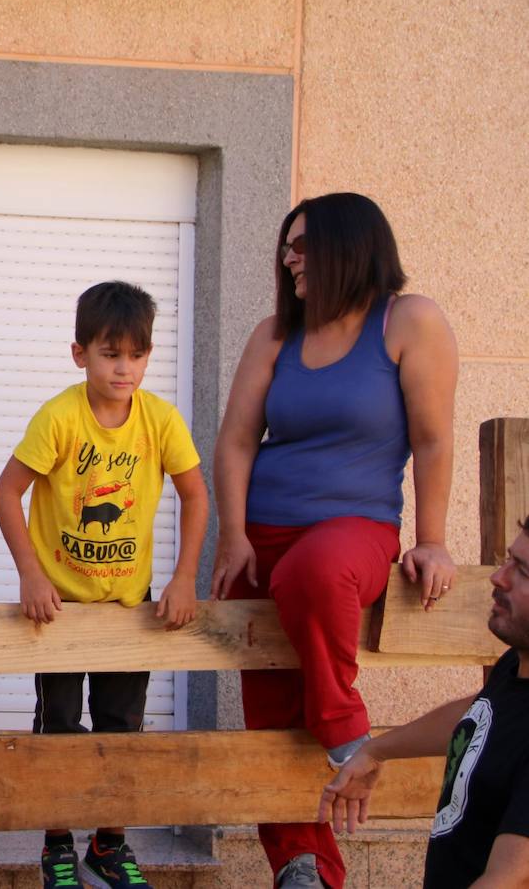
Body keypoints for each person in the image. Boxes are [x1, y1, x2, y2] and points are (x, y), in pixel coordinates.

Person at [210, 192, 458, 888]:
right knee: (270, 708)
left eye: (303, 245)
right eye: (285, 247)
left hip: (353, 530)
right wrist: (232, 536)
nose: (289, 259)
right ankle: (302, 865)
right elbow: (234, 442)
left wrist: (433, 540)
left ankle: (349, 732)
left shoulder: (409, 321)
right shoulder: (274, 336)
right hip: (261, 534)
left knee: (314, 574)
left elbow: (433, 439)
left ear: (351, 245)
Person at [0, 280, 208, 889]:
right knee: (59, 729)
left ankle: (108, 846)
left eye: (137, 354)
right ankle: (57, 844)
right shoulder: (60, 417)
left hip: (125, 611)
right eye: (111, 354)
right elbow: (7, 492)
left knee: (123, 729)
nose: (125, 368)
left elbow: (195, 494)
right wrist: (31, 574)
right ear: (79, 353)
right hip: (58, 610)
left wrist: (184, 575)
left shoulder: (160, 421)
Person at [319, 516, 529, 888]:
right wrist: (375, 750)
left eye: (523, 572)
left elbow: (508, 879)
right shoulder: (517, 666)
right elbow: (482, 716)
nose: (499, 577)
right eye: (509, 560)